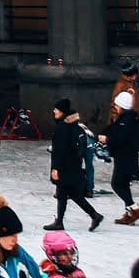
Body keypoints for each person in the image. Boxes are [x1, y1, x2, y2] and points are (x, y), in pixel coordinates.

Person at [43, 98, 102, 232]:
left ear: (62, 112)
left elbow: (59, 150)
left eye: (56, 109)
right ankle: (60, 221)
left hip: (65, 167)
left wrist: (55, 168)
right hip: (73, 166)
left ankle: (94, 215)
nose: (54, 111)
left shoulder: (62, 128)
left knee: (70, 194)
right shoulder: (74, 126)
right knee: (64, 194)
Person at [98, 89, 139, 225]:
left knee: (117, 184)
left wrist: (107, 139)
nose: (115, 107)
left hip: (125, 157)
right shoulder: (127, 118)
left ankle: (134, 208)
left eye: (117, 105)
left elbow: (120, 137)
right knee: (124, 184)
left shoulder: (125, 121)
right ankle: (129, 212)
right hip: (127, 157)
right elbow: (114, 130)